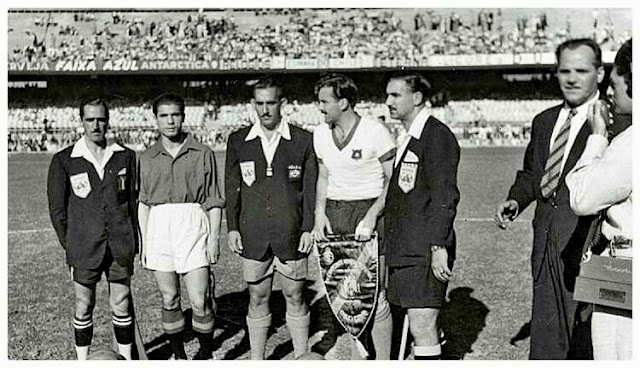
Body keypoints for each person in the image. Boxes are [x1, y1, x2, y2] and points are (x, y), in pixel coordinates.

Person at [494, 38, 605, 359]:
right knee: (547, 336)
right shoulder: (544, 121)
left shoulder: (616, 123)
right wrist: (516, 200)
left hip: (586, 244)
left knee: (587, 334)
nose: (571, 78)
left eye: (581, 70)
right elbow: (533, 173)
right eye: (564, 70)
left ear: (599, 73)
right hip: (545, 240)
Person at [225, 77, 317, 360]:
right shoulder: (239, 140)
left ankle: (301, 356)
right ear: (253, 104)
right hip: (253, 235)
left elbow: (311, 189)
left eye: (271, 103)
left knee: (296, 296)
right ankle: (257, 359)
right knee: (257, 297)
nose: (265, 110)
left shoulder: (303, 140)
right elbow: (232, 189)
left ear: (283, 104)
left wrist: (307, 228)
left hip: (290, 235)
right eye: (260, 103)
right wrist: (232, 228)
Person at [311, 73, 395, 360]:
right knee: (344, 294)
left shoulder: (375, 131)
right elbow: (323, 175)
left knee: (375, 293)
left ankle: (383, 360)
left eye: (324, 102)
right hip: (335, 212)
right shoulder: (320, 133)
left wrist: (372, 216)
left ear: (343, 102)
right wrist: (319, 213)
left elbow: (391, 180)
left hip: (370, 210)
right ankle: (359, 354)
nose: (320, 107)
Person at [47, 97, 138, 360]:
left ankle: (126, 358)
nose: (96, 125)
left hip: (119, 244)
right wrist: (72, 244)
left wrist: (132, 241)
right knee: (83, 305)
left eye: (101, 119)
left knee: (121, 303)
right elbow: (58, 210)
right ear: (81, 122)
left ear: (107, 121)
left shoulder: (125, 156)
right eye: (90, 120)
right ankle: (83, 360)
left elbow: (132, 201)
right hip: (83, 247)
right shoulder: (65, 159)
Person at [138, 93, 224, 360]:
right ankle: (179, 356)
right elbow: (143, 203)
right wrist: (144, 242)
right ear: (156, 120)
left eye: (175, 114)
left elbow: (213, 199)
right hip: (159, 227)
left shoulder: (202, 153)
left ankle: (206, 355)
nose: (170, 121)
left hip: (193, 225)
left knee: (199, 299)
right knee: (169, 298)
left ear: (183, 117)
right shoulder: (147, 157)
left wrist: (213, 239)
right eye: (164, 116)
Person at [383, 72, 460, 360]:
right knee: (411, 324)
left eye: (395, 95)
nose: (388, 101)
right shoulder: (409, 135)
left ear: (416, 98)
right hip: (405, 248)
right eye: (387, 95)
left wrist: (438, 247)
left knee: (422, 325)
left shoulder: (436, 136)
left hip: (425, 248)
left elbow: (445, 197)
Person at [566, 39, 632, 360]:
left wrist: (596, 136)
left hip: (625, 270)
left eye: (616, 84)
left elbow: (581, 197)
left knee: (615, 352)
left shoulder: (629, 144)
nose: (609, 92)